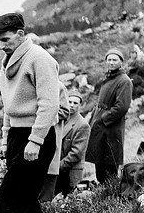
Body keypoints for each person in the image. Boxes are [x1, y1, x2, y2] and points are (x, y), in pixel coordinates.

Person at [0, 12, 59, 213]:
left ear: (20, 34)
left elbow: (50, 104)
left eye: (5, 39)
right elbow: (9, 106)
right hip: (18, 136)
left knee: (8, 200)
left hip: (37, 135)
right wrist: (6, 141)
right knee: (23, 199)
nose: (1, 46)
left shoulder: (40, 58)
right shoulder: (6, 62)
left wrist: (35, 140)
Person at [86, 47, 133, 185]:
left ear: (121, 62)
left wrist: (103, 118)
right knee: (99, 161)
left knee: (109, 164)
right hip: (100, 127)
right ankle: (104, 192)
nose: (111, 62)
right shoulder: (108, 78)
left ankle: (111, 196)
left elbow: (122, 106)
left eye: (115, 60)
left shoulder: (124, 81)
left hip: (111, 128)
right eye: (109, 59)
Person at [55, 89, 91, 197]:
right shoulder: (60, 120)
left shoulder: (82, 125)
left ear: (80, 105)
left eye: (75, 103)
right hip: (58, 171)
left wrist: (57, 166)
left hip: (70, 172)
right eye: (69, 102)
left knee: (68, 200)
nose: (71, 105)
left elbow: (76, 154)